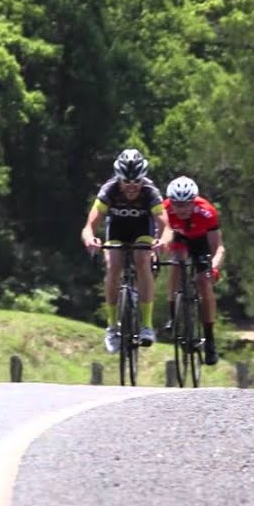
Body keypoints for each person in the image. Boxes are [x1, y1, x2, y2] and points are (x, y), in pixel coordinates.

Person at [81, 149, 173, 353]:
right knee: (113, 265)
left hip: (143, 229)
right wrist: (91, 239)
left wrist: (162, 241)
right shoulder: (108, 190)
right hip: (117, 229)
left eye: (137, 182)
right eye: (126, 182)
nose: (132, 187)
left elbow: (166, 227)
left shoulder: (150, 192)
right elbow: (89, 226)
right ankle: (112, 327)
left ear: (143, 179)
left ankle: (146, 326)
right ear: (118, 178)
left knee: (142, 260)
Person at [162, 175, 226, 365]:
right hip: (178, 239)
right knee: (176, 262)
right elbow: (159, 238)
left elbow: (219, 247)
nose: (180, 209)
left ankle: (209, 339)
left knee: (204, 283)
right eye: (176, 204)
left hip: (201, 243)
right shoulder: (163, 210)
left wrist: (213, 267)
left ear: (194, 202)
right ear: (170, 202)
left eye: (185, 204)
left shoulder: (207, 212)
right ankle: (173, 316)